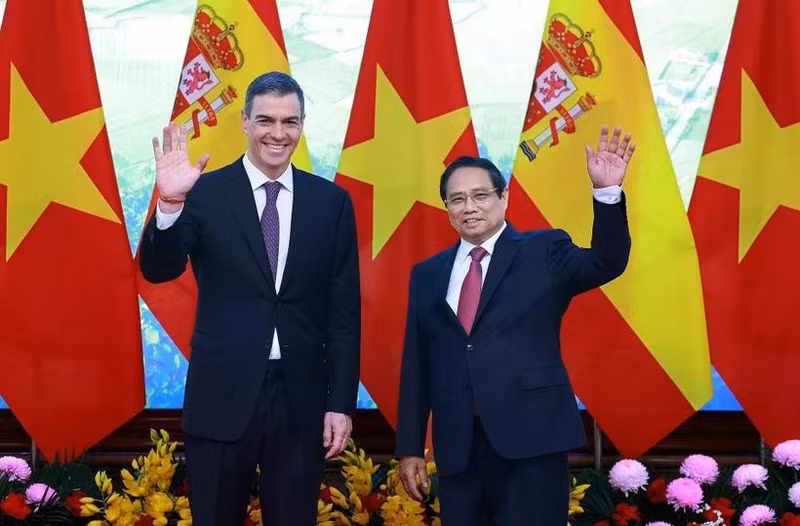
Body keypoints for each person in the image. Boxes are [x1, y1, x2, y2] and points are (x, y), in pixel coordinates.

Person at [139, 71, 360, 526]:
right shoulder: (202, 193)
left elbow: (344, 313)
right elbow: (158, 270)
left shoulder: (331, 202)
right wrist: (170, 204)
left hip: (301, 400)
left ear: (302, 124)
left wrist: (340, 402)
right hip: (221, 394)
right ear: (244, 122)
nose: (278, 133)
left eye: (289, 121)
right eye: (265, 120)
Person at [395, 126, 635, 525]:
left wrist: (607, 192)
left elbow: (606, 262)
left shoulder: (543, 250)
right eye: (457, 199)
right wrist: (409, 447)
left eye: (480, 195)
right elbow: (417, 364)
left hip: (532, 442)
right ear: (447, 208)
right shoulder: (427, 274)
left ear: (503, 197)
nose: (469, 207)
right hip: (458, 449)